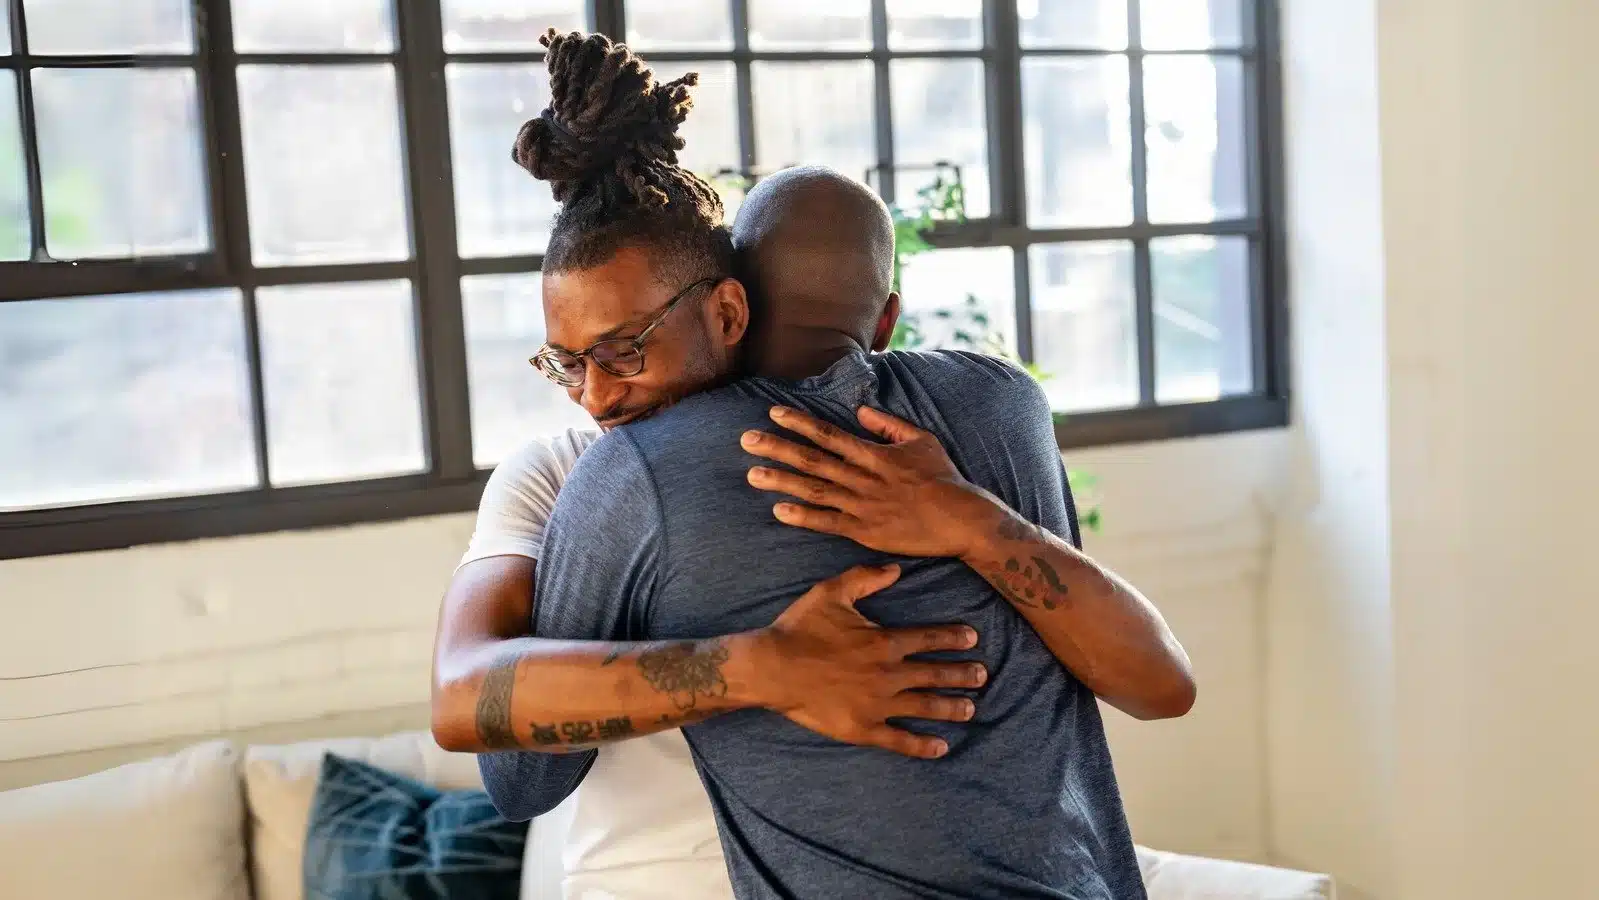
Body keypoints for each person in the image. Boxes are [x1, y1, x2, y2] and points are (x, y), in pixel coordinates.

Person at [431, 29, 1193, 900]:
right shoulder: (565, 473)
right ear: (882, 320)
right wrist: (762, 666)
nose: (595, 396)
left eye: (627, 351)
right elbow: (481, 722)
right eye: (566, 362)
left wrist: (971, 522)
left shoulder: (950, 431)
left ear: (731, 312)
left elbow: (1156, 682)